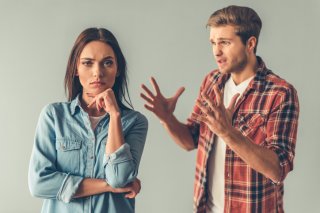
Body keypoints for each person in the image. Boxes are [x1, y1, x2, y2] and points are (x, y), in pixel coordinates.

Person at [140, 5, 299, 213]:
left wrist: (228, 132)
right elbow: (191, 140)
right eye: (213, 43)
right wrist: (167, 119)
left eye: (225, 42)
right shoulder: (212, 82)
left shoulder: (280, 93)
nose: (216, 51)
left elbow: (277, 169)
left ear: (250, 43)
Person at [28, 27, 148, 213]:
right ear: (76, 68)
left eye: (107, 63)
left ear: (118, 69)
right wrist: (107, 186)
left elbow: (119, 178)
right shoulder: (53, 116)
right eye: (87, 63)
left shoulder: (135, 122)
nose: (97, 72)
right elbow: (39, 183)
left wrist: (115, 116)